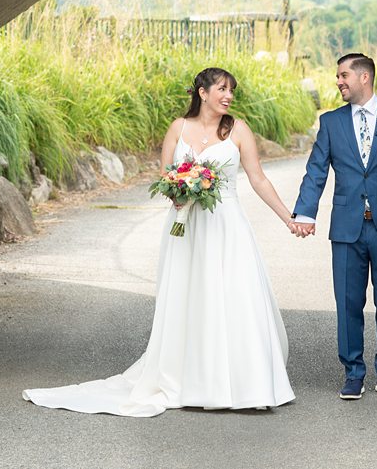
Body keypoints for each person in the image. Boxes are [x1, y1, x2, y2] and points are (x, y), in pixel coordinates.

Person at [23, 67, 298, 415]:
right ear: (202, 92)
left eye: (231, 91)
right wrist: (178, 194)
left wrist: (288, 217)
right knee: (189, 296)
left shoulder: (238, 130)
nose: (228, 96)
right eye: (222, 89)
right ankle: (190, 379)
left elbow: (257, 179)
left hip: (227, 225)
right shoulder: (178, 129)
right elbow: (166, 175)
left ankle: (247, 385)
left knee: (233, 294)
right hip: (185, 225)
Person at [291, 53, 377, 400]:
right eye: (338, 76)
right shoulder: (331, 122)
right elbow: (316, 170)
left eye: (343, 75)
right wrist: (306, 213)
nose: (339, 82)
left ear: (364, 77)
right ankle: (353, 373)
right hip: (347, 228)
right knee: (348, 302)